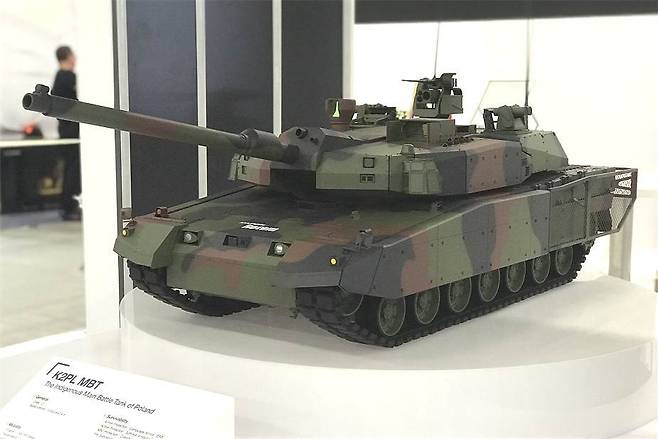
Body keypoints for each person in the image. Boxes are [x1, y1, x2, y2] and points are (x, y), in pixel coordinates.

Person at [52, 46, 81, 220]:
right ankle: (69, 207)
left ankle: (68, 206)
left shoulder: (59, 77)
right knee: (73, 170)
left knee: (70, 169)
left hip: (66, 129)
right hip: (72, 130)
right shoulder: (68, 77)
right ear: (69, 57)